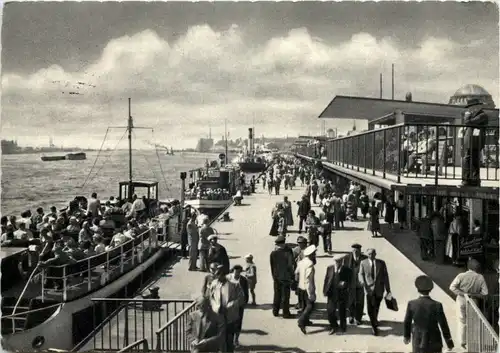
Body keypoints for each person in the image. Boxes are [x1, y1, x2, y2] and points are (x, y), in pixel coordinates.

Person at [404, 276, 454, 353]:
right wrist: (449, 341)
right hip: (434, 341)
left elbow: (407, 321)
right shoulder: (437, 305)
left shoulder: (412, 304)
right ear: (430, 290)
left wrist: (406, 336)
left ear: (417, 289)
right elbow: (443, 324)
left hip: (418, 340)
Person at [449, 258, 489, 349]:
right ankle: (472, 341)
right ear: (477, 268)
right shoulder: (480, 277)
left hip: (461, 300)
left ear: (468, 267)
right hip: (474, 301)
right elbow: (485, 293)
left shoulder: (461, 275)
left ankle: (463, 341)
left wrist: (462, 293)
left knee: (462, 320)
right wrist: (474, 294)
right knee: (473, 321)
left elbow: (452, 287)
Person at [208, 264, 245, 353]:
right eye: (216, 275)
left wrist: (231, 305)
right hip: (217, 316)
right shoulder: (214, 284)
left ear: (224, 274)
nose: (217, 277)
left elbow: (241, 299)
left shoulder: (234, 285)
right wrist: (216, 307)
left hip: (230, 317)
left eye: (219, 275)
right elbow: (211, 298)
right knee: (217, 341)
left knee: (229, 341)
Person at [358, 248, 392, 336]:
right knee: (370, 308)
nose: (371, 255)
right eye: (369, 254)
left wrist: (388, 290)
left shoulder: (381, 263)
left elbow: (385, 276)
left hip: (379, 289)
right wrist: (362, 282)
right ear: (367, 255)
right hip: (369, 290)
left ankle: (374, 319)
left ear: (375, 254)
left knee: (376, 307)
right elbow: (360, 274)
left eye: (373, 254)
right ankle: (374, 326)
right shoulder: (363, 263)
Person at [461, 98, 489, 187]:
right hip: (471, 142)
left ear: (477, 107)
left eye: (471, 107)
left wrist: (467, 116)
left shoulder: (482, 115)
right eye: (469, 108)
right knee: (472, 161)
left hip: (475, 142)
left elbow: (468, 122)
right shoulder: (476, 115)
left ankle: (469, 180)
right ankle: (473, 180)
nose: (469, 110)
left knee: (470, 160)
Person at [323, 255, 352, 335]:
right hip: (332, 293)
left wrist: (345, 283)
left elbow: (350, 281)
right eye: (336, 261)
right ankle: (334, 326)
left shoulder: (347, 270)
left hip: (342, 294)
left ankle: (343, 327)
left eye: (339, 261)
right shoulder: (330, 268)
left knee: (342, 311)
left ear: (342, 261)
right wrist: (324, 291)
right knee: (330, 311)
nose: (337, 263)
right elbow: (326, 280)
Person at [269, 235, 294, 318]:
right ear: (284, 243)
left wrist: (274, 276)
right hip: (286, 277)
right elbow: (290, 265)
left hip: (276, 277)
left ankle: (275, 311)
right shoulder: (288, 252)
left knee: (277, 295)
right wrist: (292, 276)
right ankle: (285, 313)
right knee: (285, 296)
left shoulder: (273, 253)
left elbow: (272, 266)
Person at [296, 245, 317, 334]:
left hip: (300, 287)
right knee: (310, 306)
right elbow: (308, 280)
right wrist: (311, 293)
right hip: (307, 288)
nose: (315, 255)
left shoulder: (301, 262)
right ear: (311, 254)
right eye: (314, 254)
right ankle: (301, 321)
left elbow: (296, 273)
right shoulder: (310, 264)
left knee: (304, 305)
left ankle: (306, 321)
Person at [227, 265, 249, 347]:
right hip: (229, 305)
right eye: (236, 271)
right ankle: (228, 340)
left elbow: (246, 292)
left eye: (239, 272)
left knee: (238, 322)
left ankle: (236, 340)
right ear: (233, 271)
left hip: (239, 305)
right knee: (229, 322)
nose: (237, 273)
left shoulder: (243, 280)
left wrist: (244, 302)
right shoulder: (228, 278)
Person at [347, 243, 367, 325]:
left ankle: (358, 318)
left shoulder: (365, 259)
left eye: (357, 250)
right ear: (352, 251)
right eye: (354, 250)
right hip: (350, 284)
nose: (355, 252)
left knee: (359, 301)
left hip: (360, 284)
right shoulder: (347, 258)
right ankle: (351, 316)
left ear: (360, 251)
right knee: (350, 301)